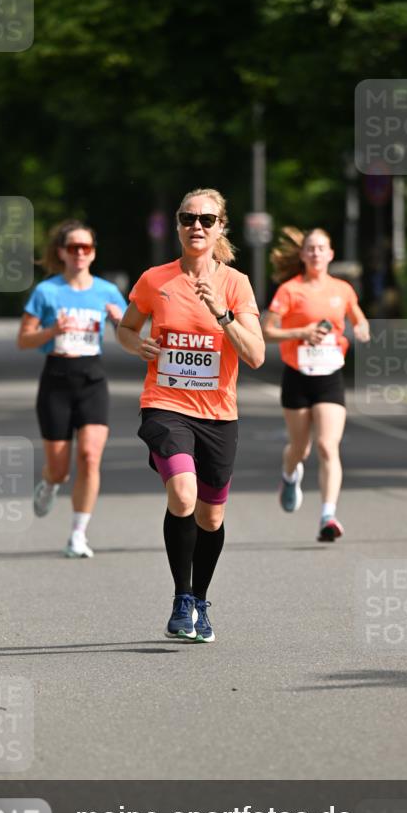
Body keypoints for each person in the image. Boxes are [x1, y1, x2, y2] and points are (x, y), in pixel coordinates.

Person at [118, 188, 264, 642]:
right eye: (187, 218)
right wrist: (134, 342)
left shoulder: (236, 284)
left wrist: (221, 314)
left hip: (219, 413)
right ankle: (182, 598)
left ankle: (201, 599)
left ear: (220, 227)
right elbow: (126, 326)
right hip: (165, 405)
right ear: (178, 226)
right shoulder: (154, 279)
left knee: (211, 518)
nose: (195, 226)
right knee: (182, 494)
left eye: (206, 219)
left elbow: (256, 355)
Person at [17, 220, 127, 558]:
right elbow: (23, 339)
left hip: (92, 378)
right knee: (61, 467)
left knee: (90, 456)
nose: (80, 253)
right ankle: (50, 482)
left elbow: (131, 338)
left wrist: (120, 322)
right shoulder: (47, 291)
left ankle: (78, 533)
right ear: (62, 252)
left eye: (86, 247)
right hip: (56, 380)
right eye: (73, 247)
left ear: (93, 253)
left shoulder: (108, 291)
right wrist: (52, 330)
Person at [262, 226, 370, 542]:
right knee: (300, 447)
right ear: (302, 254)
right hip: (296, 374)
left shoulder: (343, 289)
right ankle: (289, 475)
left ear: (331, 254)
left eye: (321, 248)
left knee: (326, 445)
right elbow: (267, 331)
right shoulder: (289, 290)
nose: (316, 253)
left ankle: (328, 515)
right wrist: (301, 333)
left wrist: (362, 328)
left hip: (330, 374)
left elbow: (357, 316)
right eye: (310, 248)